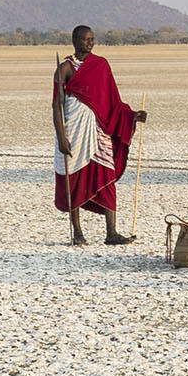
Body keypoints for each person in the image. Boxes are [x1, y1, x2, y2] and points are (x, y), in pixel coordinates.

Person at [53, 24, 148, 247]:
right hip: (73, 131)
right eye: (85, 39)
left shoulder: (101, 65)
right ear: (74, 40)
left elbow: (113, 102)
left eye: (92, 39)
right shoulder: (64, 69)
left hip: (99, 130)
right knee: (73, 179)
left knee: (106, 176)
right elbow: (56, 107)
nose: (90, 43)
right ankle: (77, 233)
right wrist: (61, 137)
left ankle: (111, 232)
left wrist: (132, 116)